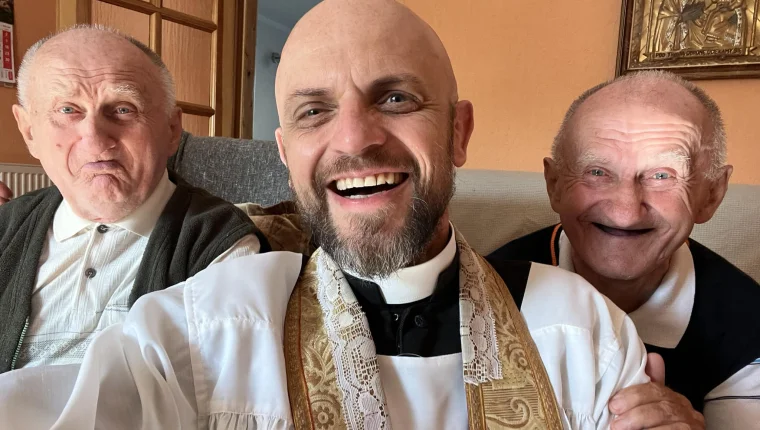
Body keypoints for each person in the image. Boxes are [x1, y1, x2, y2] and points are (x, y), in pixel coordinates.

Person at [0, 2, 648, 429]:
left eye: (395, 98)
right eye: (314, 112)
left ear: (458, 132)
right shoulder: (211, 323)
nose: (355, 139)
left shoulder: (582, 333)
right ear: (287, 156)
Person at [490, 71, 760, 429]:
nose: (625, 211)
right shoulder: (485, 290)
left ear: (711, 195)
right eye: (597, 171)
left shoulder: (749, 324)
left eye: (662, 175)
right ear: (554, 185)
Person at [0, 25, 266, 373]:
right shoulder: (6, 226)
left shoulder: (220, 244)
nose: (95, 139)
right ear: (29, 131)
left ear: (172, 130)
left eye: (123, 109)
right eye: (67, 110)